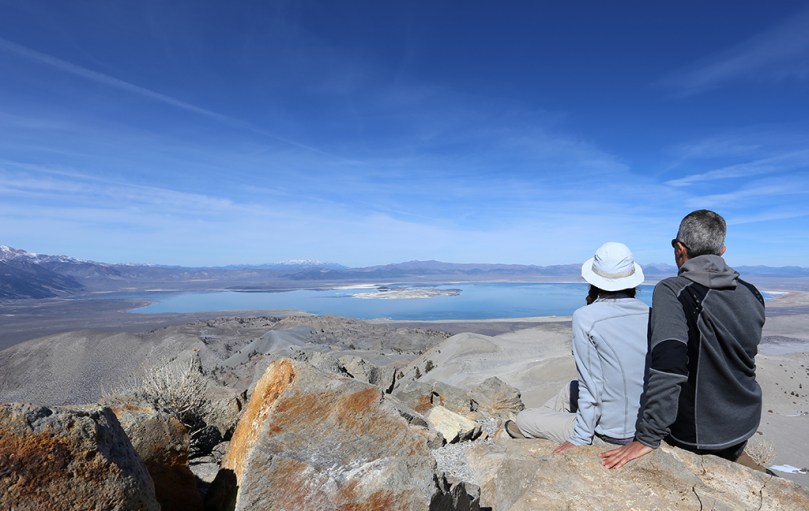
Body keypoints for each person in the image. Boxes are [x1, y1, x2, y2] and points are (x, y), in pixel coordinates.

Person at [600, 210, 765, 469]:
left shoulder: (672, 290)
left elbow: (668, 364)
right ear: (722, 251)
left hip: (698, 435)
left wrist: (648, 437)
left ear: (679, 248)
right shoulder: (752, 293)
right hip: (744, 424)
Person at [505, 242, 649, 453]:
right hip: (641, 425)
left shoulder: (585, 317)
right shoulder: (650, 312)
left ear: (594, 281)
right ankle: (547, 422)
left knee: (524, 418)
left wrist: (580, 437)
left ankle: (537, 428)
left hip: (610, 434)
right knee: (569, 390)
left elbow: (592, 384)